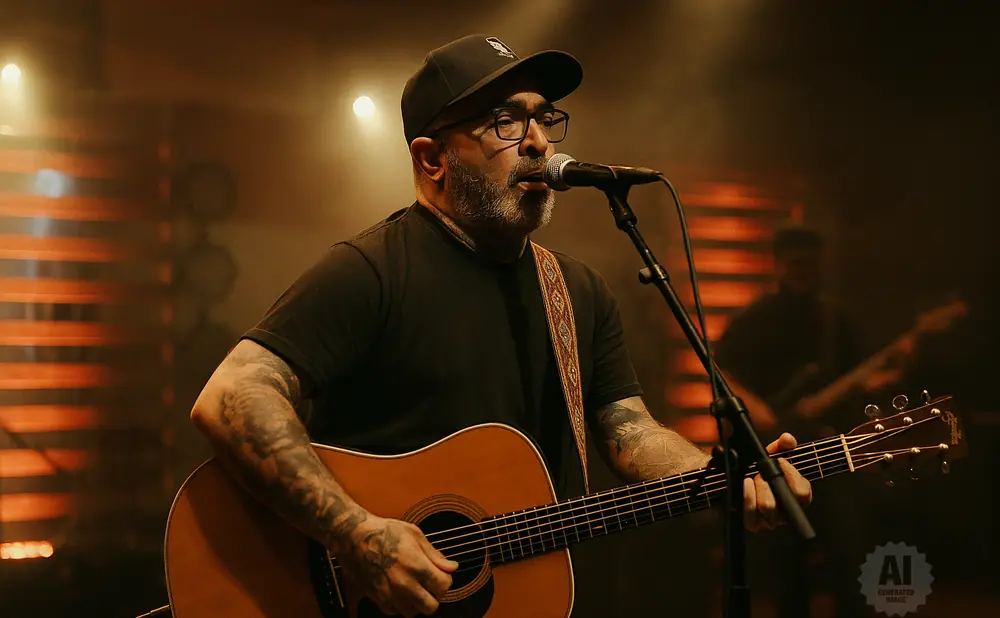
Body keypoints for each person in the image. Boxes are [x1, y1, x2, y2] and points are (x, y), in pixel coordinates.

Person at [189, 34, 813, 617]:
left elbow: (630, 432)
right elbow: (230, 396)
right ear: (432, 158)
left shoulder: (578, 292)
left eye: (543, 118)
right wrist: (355, 533)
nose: (538, 141)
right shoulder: (370, 271)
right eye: (505, 122)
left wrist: (719, 476)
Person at [714, 226, 894, 618]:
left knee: (848, 556)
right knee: (785, 566)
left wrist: (893, 369)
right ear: (778, 264)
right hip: (772, 452)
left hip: (831, 453)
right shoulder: (754, 317)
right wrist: (753, 409)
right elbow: (718, 368)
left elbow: (866, 377)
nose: (803, 271)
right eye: (795, 262)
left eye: (810, 264)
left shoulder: (835, 320)